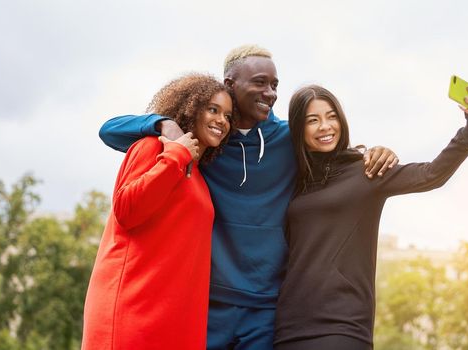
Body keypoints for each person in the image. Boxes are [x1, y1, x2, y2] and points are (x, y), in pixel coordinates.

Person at [97, 45, 399, 349]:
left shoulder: (287, 137)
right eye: (259, 82)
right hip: (210, 302)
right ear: (230, 84)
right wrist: (162, 123)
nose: (270, 93)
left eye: (274, 85)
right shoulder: (210, 139)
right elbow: (110, 131)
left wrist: (371, 152)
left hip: (266, 306)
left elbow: (328, 149)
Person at [274, 83, 468, 350]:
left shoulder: (368, 171)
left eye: (331, 117)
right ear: (298, 128)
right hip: (289, 326)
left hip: (343, 324)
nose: (325, 127)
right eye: (313, 120)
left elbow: (433, 174)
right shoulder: (293, 178)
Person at [82, 73, 233, 350]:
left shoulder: (198, 173)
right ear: (191, 108)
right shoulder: (152, 147)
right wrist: (174, 151)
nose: (222, 120)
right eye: (213, 109)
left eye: (227, 115)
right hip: (133, 308)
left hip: (175, 316)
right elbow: (127, 210)